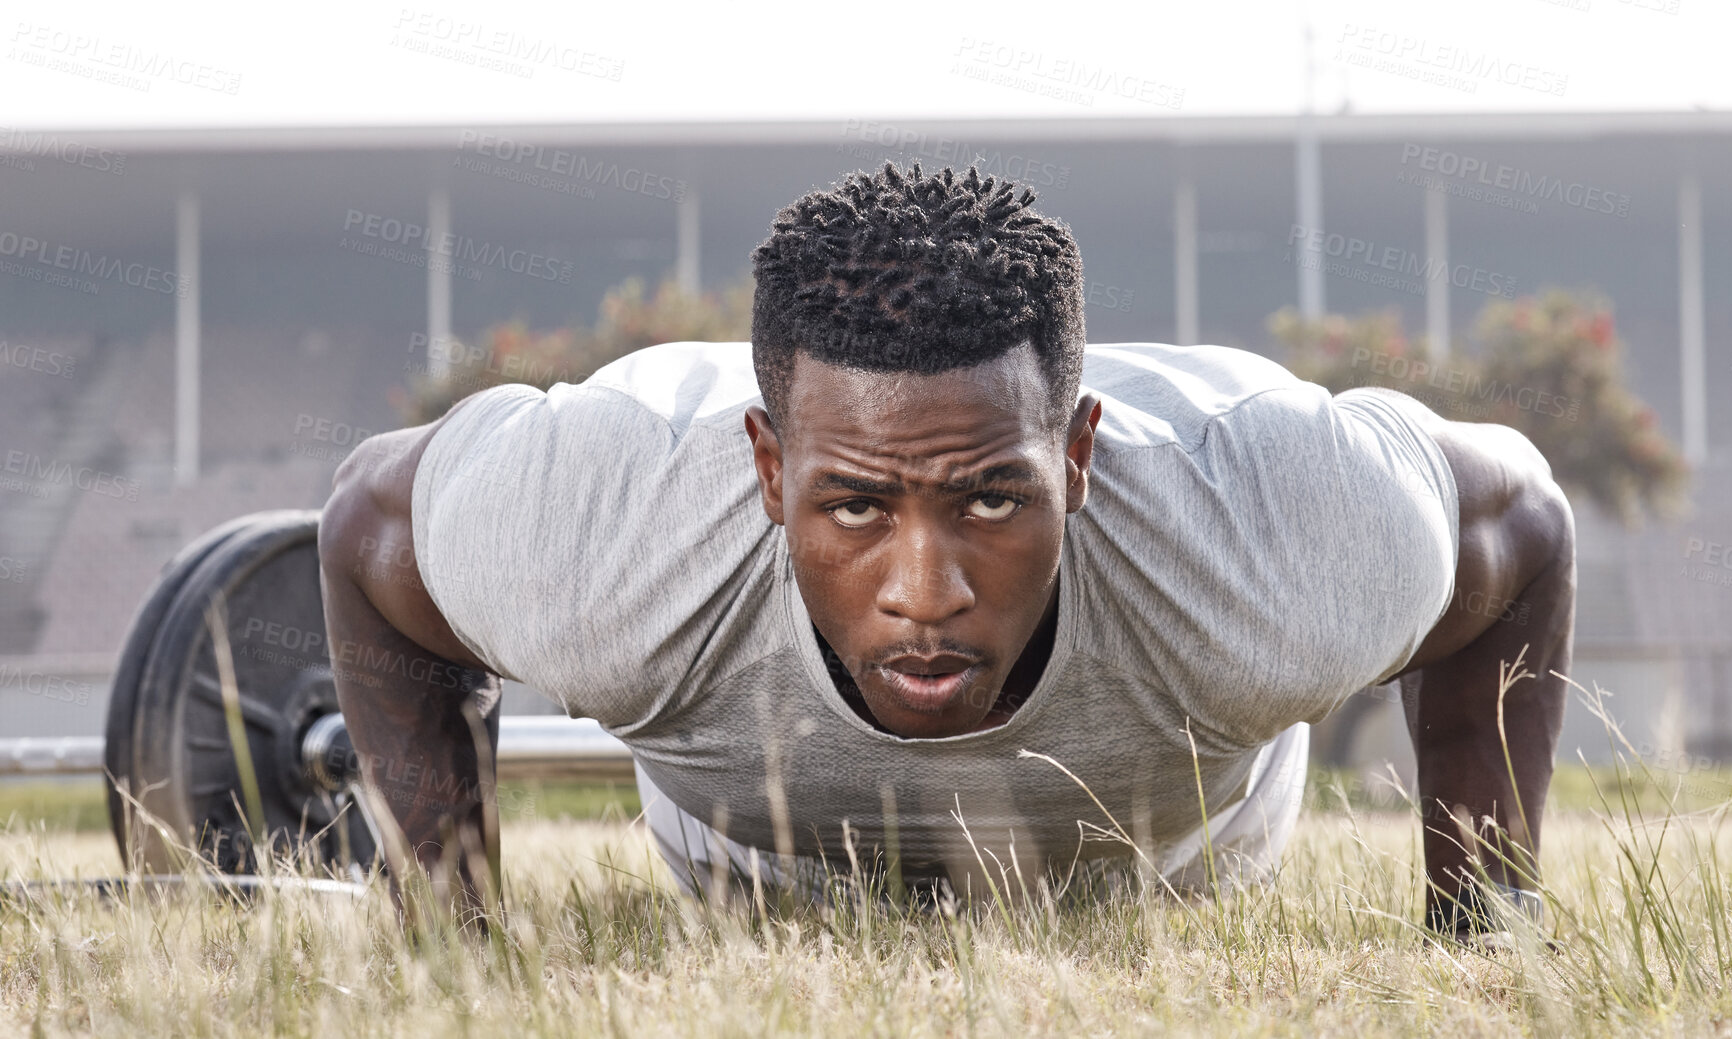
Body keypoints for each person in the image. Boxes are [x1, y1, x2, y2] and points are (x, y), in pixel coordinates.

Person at [318, 163, 1575, 937]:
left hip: (1171, 865)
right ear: (767, 470)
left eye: (989, 501)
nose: (927, 593)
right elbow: (366, 519)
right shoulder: (602, 527)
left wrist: (1485, 920)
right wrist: (448, 928)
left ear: (1077, 460)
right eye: (856, 508)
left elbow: (1523, 525)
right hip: (752, 870)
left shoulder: (1276, 531)